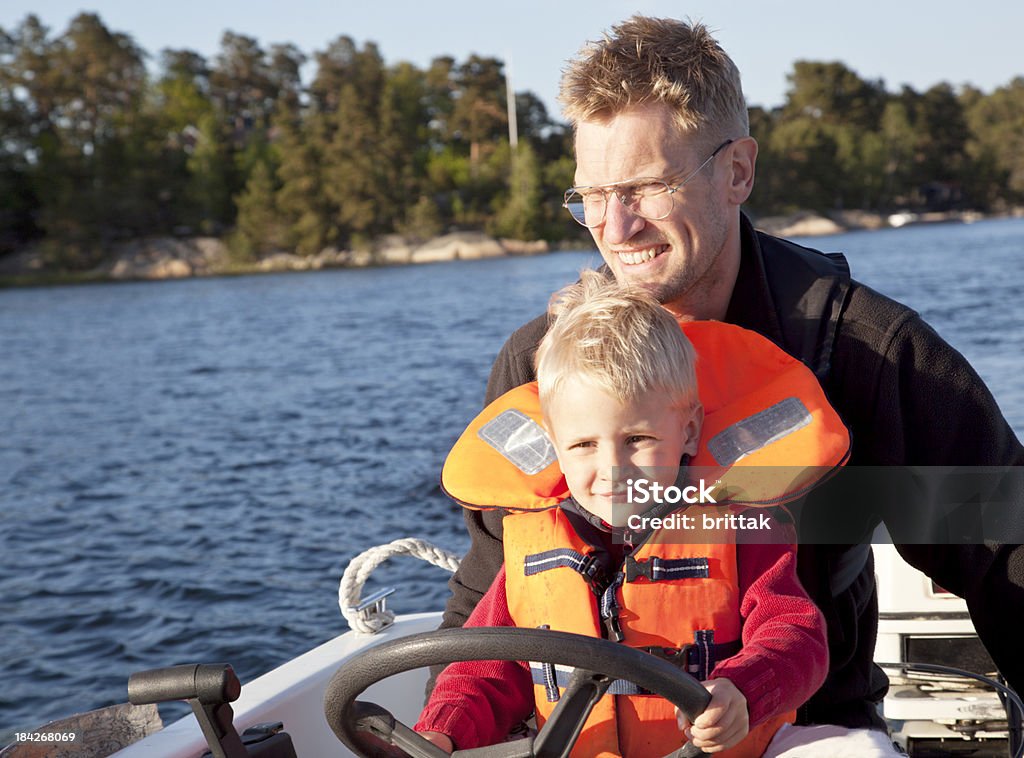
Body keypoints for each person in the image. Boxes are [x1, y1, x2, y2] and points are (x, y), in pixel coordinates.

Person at [440, 12, 1024, 752]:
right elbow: (494, 582)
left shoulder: (862, 351)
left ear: (738, 171)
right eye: (592, 195)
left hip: (805, 731)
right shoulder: (536, 363)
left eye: (648, 186)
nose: (615, 229)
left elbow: (1008, 549)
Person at [417, 271, 840, 756]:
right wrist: (441, 731)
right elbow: (482, 670)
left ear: (687, 430)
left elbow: (797, 637)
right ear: (555, 445)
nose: (613, 469)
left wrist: (743, 689)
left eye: (637, 439)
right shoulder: (532, 545)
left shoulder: (742, 533)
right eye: (583, 445)